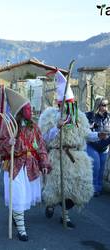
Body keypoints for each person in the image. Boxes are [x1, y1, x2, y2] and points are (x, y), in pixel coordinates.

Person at [38, 70, 105, 228]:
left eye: (71, 104)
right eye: (66, 105)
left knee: (73, 189)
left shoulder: (79, 117)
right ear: (60, 104)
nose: (69, 107)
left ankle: (65, 214)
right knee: (56, 187)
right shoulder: (49, 116)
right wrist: (57, 127)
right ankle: (52, 205)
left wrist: (98, 136)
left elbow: (86, 134)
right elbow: (44, 138)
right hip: (57, 155)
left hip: (75, 159)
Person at [0, 88, 51, 241]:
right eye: (27, 108)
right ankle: (21, 229)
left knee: (24, 196)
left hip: (30, 167)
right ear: (20, 111)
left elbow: (41, 146)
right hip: (14, 166)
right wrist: (8, 142)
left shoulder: (34, 126)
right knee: (18, 196)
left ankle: (16, 216)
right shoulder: (9, 125)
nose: (30, 111)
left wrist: (44, 162)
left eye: (30, 108)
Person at [85, 97, 110, 197]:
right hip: (92, 145)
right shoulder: (90, 116)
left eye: (107, 105)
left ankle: (99, 187)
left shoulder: (108, 117)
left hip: (104, 147)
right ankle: (94, 188)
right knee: (96, 166)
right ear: (98, 105)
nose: (106, 107)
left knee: (102, 168)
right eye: (103, 105)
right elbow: (86, 131)